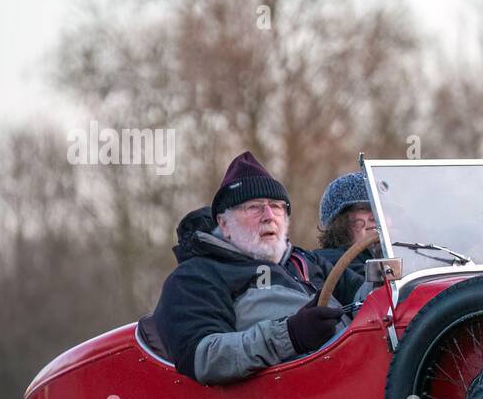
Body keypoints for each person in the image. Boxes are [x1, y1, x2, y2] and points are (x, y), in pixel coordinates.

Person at [151, 151, 361, 385]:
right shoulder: (197, 276)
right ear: (224, 223)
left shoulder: (306, 261)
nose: (269, 216)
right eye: (253, 207)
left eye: (277, 206)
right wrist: (290, 335)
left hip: (356, 368)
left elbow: (369, 296)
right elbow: (205, 357)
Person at [313, 171, 381, 280]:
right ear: (340, 220)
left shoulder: (408, 263)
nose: (376, 217)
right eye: (363, 208)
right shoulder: (322, 265)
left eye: (381, 209)